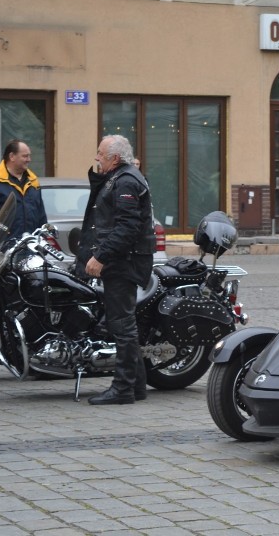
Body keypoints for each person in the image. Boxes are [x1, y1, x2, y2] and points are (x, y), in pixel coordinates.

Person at [81, 135, 156, 405]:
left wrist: (100, 257)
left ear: (114, 157)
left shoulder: (126, 181)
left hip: (124, 262)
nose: (96, 158)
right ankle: (136, 386)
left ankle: (123, 388)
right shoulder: (121, 176)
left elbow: (127, 227)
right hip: (124, 260)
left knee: (122, 325)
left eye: (100, 154)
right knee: (124, 323)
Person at [0, 139, 47, 246]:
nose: (29, 160)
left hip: (30, 250)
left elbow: (41, 217)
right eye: (25, 156)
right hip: (2, 253)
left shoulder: (33, 182)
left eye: (29, 156)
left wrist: (41, 241)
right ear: (12, 156)